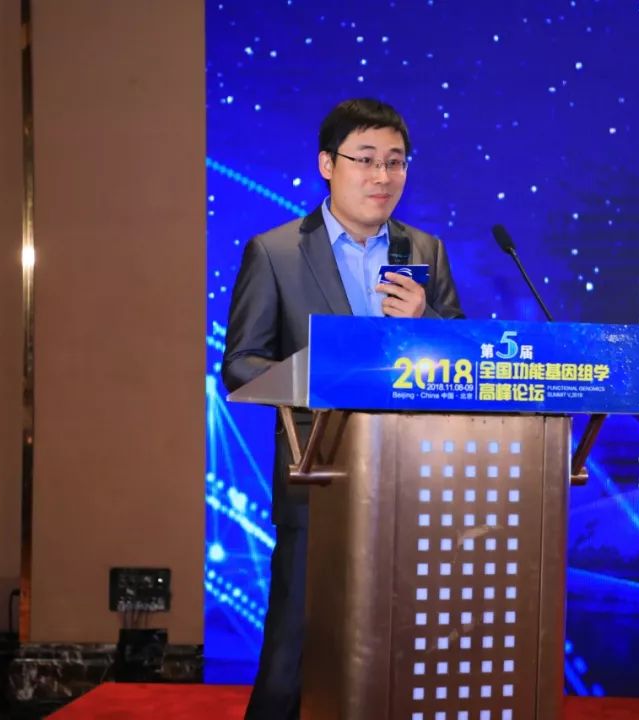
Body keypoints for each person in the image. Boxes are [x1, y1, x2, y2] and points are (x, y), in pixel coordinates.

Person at [221, 98, 464, 720]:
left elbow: (464, 361)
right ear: (328, 165)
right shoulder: (275, 251)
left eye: (396, 162)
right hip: (318, 473)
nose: (383, 176)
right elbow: (241, 363)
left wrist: (427, 322)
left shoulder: (425, 250)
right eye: (366, 160)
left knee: (404, 645)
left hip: (412, 478)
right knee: (295, 644)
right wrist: (324, 376)